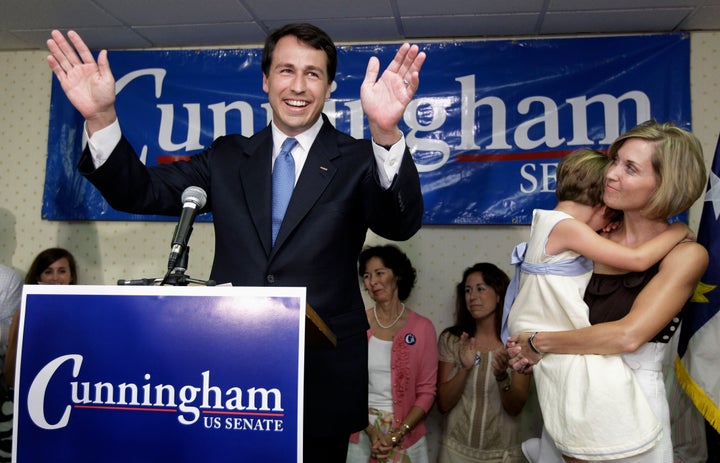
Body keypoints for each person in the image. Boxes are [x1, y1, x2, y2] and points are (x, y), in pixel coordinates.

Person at [46, 23, 425, 460]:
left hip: (321, 378)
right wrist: (100, 118)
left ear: (330, 86)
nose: (298, 86)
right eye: (285, 71)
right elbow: (141, 191)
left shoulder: (359, 157)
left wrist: (384, 133)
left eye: (313, 74)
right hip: (228, 375)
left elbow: (400, 223)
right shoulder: (227, 156)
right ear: (265, 81)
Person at [507, 120, 709, 463]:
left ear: (665, 184)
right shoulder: (586, 241)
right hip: (567, 403)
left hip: (631, 413)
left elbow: (627, 336)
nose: (611, 173)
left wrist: (538, 342)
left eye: (629, 167)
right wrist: (521, 352)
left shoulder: (687, 255)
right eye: (614, 160)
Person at [346, 245, 437, 463]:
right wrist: (369, 429)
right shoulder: (356, 324)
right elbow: (345, 384)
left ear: (397, 275)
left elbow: (427, 391)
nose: (372, 281)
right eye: (367, 276)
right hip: (361, 431)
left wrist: (398, 433)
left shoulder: (422, 328)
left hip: (407, 433)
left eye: (380, 273)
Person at [437, 263, 531, 463]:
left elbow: (515, 407)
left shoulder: (517, 344)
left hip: (502, 456)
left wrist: (502, 376)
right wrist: (464, 368)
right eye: (468, 291)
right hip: (454, 453)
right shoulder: (453, 340)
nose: (472, 297)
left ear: (498, 295)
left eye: (480, 289)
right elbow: (443, 404)